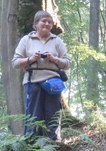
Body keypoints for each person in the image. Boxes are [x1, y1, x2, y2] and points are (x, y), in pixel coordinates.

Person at [12, 10, 70, 141]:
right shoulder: (26, 40)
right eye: (44, 21)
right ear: (36, 23)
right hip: (32, 81)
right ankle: (33, 145)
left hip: (53, 81)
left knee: (53, 114)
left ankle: (54, 143)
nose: (47, 24)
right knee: (33, 115)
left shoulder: (57, 41)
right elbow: (15, 63)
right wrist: (31, 59)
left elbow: (67, 63)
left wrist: (54, 59)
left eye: (50, 22)